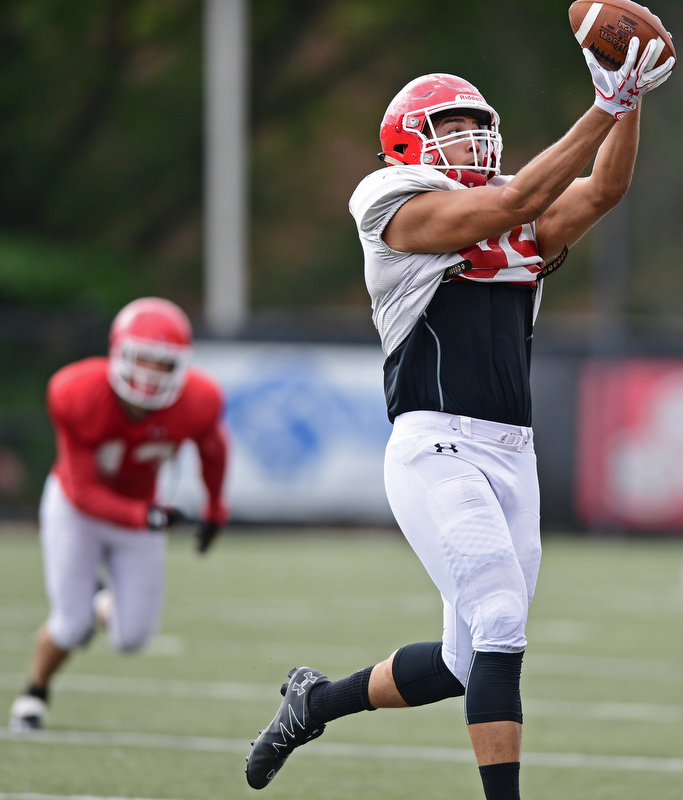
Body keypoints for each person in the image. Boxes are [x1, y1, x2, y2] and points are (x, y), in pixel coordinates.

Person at [244, 37, 674, 800]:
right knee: (502, 616)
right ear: (408, 142)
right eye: (449, 125)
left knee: (462, 662)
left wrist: (629, 100)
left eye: (475, 123)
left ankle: (312, 704)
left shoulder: (516, 211)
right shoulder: (390, 205)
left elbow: (600, 192)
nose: (469, 137)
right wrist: (602, 104)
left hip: (512, 452)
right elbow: (511, 204)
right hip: (432, 444)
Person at [9, 297, 230, 732]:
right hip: (77, 510)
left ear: (181, 366)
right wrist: (146, 518)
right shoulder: (76, 392)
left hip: (141, 509)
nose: (149, 375)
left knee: (132, 639)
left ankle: (100, 602)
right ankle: (35, 692)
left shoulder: (198, 401)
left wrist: (215, 510)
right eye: (142, 359)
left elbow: (213, 450)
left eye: (162, 363)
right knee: (71, 627)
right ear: (118, 353)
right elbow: (84, 490)